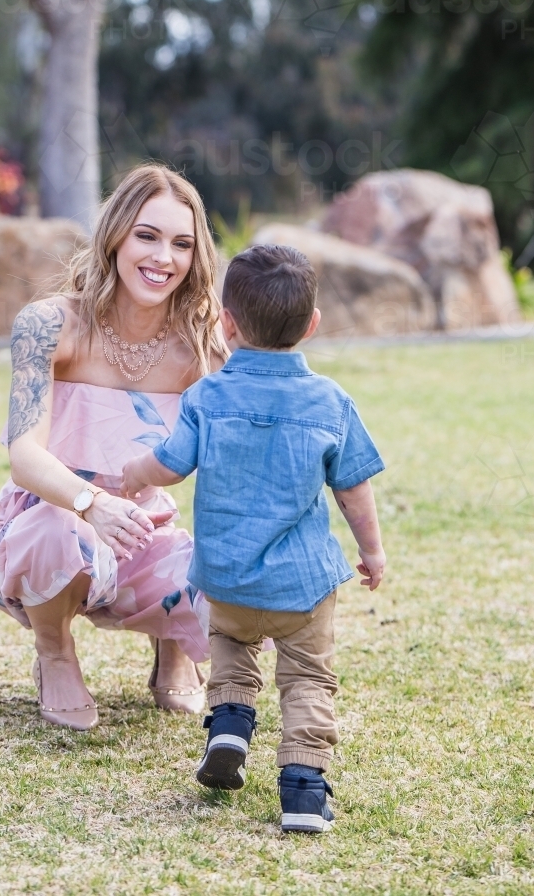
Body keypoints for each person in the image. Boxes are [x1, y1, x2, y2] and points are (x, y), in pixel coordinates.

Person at [121, 244, 387, 834]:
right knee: (308, 678)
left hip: (228, 578)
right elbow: (353, 488)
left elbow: (169, 464)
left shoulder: (207, 396)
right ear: (311, 325)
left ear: (226, 323)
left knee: (232, 651)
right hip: (303, 586)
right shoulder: (329, 401)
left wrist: (137, 473)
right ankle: (303, 789)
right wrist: (371, 550)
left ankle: (230, 731)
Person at [0, 164, 228, 730]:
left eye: (181, 244)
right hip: (50, 521)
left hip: (143, 532)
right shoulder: (48, 325)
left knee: (228, 573)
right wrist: (92, 503)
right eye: (147, 235)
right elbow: (24, 456)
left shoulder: (199, 342)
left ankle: (173, 640)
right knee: (55, 530)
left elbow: (232, 447)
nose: (163, 257)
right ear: (115, 235)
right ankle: (56, 651)